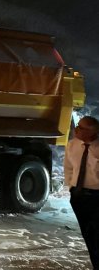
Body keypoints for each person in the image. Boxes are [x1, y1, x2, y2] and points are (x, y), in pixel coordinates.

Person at [65, 115, 99, 269]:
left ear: (92, 132)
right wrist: (71, 187)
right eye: (77, 126)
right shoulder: (72, 145)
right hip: (79, 196)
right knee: (88, 235)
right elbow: (69, 168)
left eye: (80, 128)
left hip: (97, 196)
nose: (76, 129)